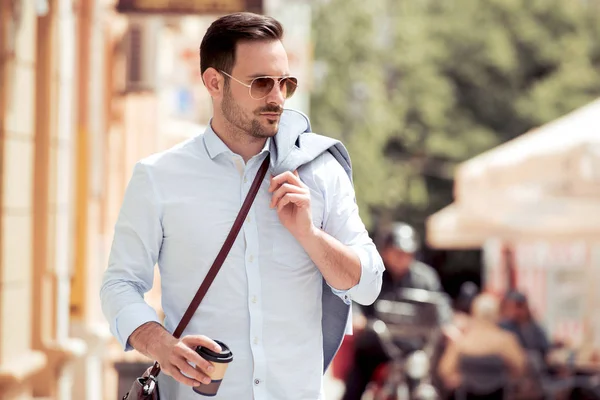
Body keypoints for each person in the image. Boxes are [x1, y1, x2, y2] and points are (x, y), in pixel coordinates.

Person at [100, 12, 384, 400]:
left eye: (285, 83)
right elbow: (120, 284)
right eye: (261, 83)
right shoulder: (159, 177)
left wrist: (309, 235)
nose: (277, 97)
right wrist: (159, 344)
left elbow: (368, 284)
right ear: (214, 82)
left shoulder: (319, 172)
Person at [341, 222, 455, 400]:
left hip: (416, 347)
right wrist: (357, 317)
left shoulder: (425, 277)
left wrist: (447, 325)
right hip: (379, 345)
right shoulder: (372, 274)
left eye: (408, 253)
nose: (403, 258)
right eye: (398, 252)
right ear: (385, 251)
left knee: (441, 379)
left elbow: (440, 303)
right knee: (356, 382)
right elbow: (355, 298)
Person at [438, 293, 527, 399]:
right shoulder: (506, 340)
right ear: (497, 314)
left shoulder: (462, 341)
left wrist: (464, 379)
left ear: (473, 313)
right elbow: (520, 368)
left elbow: (445, 370)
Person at [499, 291, 551, 365]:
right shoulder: (503, 327)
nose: (516, 312)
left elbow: (545, 348)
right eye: (512, 307)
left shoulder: (533, 326)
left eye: (519, 307)